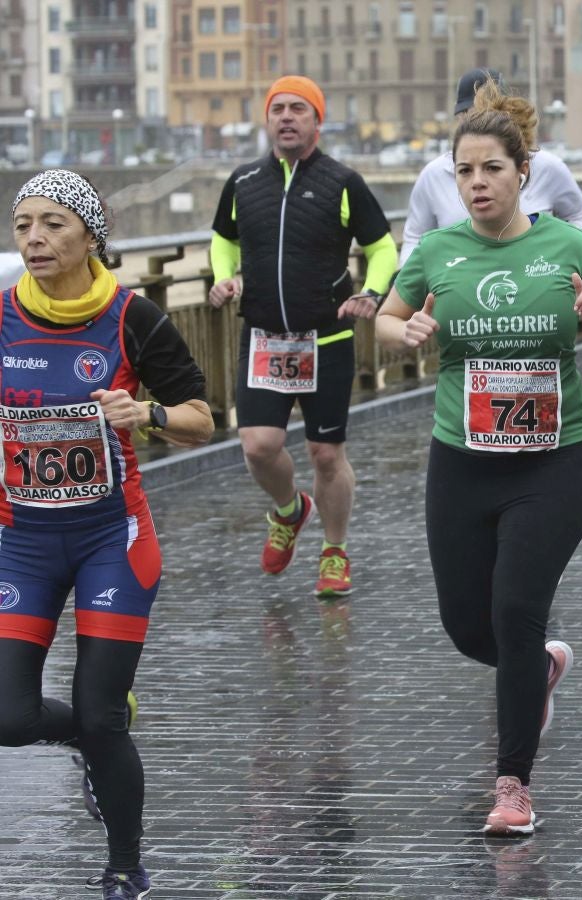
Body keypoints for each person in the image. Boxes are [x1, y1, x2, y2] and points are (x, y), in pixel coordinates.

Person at [374, 81, 582, 834]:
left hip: (554, 462)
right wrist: (406, 336)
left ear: (524, 172)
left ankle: (513, 786)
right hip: (462, 460)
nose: (478, 183)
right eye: (465, 171)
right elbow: (389, 320)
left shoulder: (566, 244)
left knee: (517, 609)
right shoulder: (439, 253)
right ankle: (538, 669)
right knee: (468, 627)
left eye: (492, 169)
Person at [1, 169, 214, 898]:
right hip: (21, 542)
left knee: (103, 713)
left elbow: (202, 420)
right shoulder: (0, 318)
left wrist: (146, 415)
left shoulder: (133, 318)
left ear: (91, 235)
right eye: (23, 222)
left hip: (110, 541)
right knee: (8, 715)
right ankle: (84, 739)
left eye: (53, 223)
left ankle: (125, 863)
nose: (34, 236)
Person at [208, 75, 397, 597]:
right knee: (259, 446)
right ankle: (290, 511)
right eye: (278, 110)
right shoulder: (244, 182)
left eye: (298, 109)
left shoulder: (342, 181)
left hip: (327, 337)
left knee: (325, 453)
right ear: (266, 120)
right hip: (265, 337)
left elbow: (382, 247)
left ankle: (334, 551)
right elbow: (222, 239)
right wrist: (223, 275)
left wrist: (373, 292)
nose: (286, 117)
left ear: (318, 119)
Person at [399, 68, 582, 266]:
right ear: (459, 119)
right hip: (459, 289)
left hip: (533, 283)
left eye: (494, 168)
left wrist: (566, 261)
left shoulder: (547, 166)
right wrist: (407, 281)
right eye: (464, 171)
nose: (480, 122)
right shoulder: (433, 175)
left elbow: (578, 214)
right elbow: (415, 237)